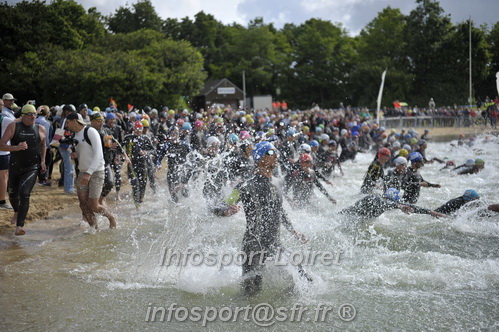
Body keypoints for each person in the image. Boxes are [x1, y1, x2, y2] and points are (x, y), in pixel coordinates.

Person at [224, 141, 307, 295]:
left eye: (275, 151)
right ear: (260, 158)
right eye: (270, 152)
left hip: (275, 244)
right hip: (253, 246)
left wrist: (293, 231)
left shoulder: (277, 183)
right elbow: (223, 204)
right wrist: (225, 211)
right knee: (250, 294)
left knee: (302, 279)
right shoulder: (246, 186)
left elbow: (279, 211)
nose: (276, 155)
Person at [0, 104, 46, 235]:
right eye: (30, 114)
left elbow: (44, 145)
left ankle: (19, 226)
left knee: (24, 193)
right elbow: (1, 145)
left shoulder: (40, 128)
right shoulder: (14, 126)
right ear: (23, 116)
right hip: (15, 166)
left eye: (35, 115)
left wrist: (43, 161)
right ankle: (16, 212)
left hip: (32, 167)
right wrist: (16, 147)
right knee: (12, 194)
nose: (33, 117)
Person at [65, 113, 116, 229]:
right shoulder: (73, 136)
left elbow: (99, 155)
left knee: (93, 205)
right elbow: (81, 155)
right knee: (83, 205)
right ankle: (94, 229)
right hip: (82, 172)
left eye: (68, 122)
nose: (67, 125)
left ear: (74, 121)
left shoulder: (90, 131)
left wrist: (88, 173)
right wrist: (74, 155)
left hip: (96, 171)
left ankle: (111, 217)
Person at [339, 188, 446, 219]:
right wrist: (398, 206)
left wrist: (431, 212)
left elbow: (413, 207)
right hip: (344, 216)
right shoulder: (374, 198)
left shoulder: (388, 203)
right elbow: (382, 203)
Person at [0, 98, 14, 209]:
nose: (2, 107)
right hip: (2, 152)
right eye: (1, 105)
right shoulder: (3, 118)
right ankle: (2, 201)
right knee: (4, 177)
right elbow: (18, 120)